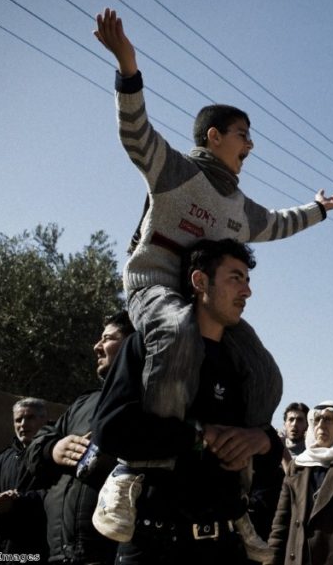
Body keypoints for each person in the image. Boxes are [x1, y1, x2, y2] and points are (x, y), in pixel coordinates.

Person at [90, 9, 333, 546]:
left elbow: (277, 223)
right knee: (178, 331)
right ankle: (133, 472)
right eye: (242, 135)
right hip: (158, 288)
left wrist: (319, 210)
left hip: (204, 304)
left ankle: (237, 494)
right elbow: (135, 132)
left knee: (262, 368)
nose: (250, 145)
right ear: (213, 137)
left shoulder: (236, 205)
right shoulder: (177, 171)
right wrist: (127, 68)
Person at [92, 239, 283, 564]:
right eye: (235, 278)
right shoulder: (147, 347)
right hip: (155, 546)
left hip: (225, 548)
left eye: (248, 281)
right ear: (199, 281)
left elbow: (270, 460)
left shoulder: (244, 366)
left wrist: (262, 442)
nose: (247, 292)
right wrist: (198, 435)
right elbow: (111, 430)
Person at [24, 310, 133, 565]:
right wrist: (53, 448)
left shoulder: (149, 401)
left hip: (113, 554)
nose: (96, 346)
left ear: (133, 343)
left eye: (107, 338)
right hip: (57, 553)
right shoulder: (84, 403)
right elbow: (33, 451)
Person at [268, 402, 333, 565]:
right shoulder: (298, 465)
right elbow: (280, 525)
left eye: (328, 419)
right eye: (317, 420)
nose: (321, 425)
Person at [0, 398, 51, 560]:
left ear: (45, 420)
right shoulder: (1, 459)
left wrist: (19, 501)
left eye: (30, 418)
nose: (23, 424)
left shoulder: (53, 456)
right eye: (18, 420)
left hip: (38, 551)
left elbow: (58, 496)